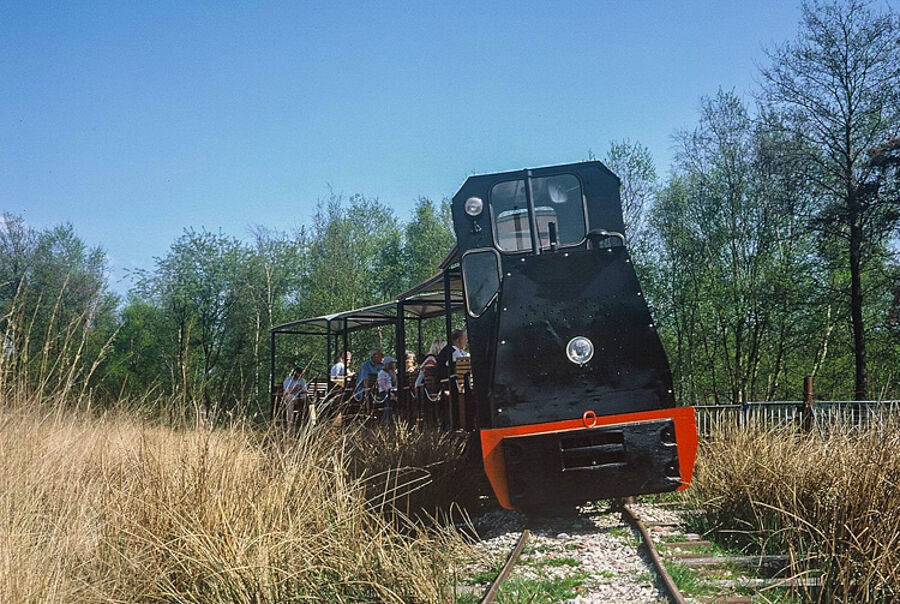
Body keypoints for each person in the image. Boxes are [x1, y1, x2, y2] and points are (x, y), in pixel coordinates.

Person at [377, 356, 398, 423]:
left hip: (392, 390)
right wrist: (390, 394)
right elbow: (383, 385)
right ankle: (386, 420)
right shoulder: (382, 373)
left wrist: (394, 375)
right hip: (384, 392)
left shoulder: (392, 372)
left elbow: (394, 383)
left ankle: (397, 417)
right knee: (388, 399)